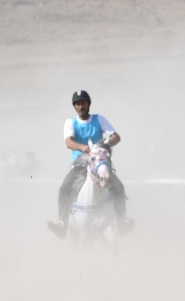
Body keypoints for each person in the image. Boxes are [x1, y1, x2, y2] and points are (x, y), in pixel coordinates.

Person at [47, 90, 133, 238]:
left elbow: (116, 137)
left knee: (119, 186)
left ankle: (122, 221)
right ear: (75, 106)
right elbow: (68, 142)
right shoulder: (70, 122)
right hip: (80, 165)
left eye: (84, 103)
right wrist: (83, 148)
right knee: (64, 189)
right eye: (78, 104)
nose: (81, 106)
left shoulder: (99, 119)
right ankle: (62, 223)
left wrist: (103, 144)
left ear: (88, 105)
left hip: (99, 163)